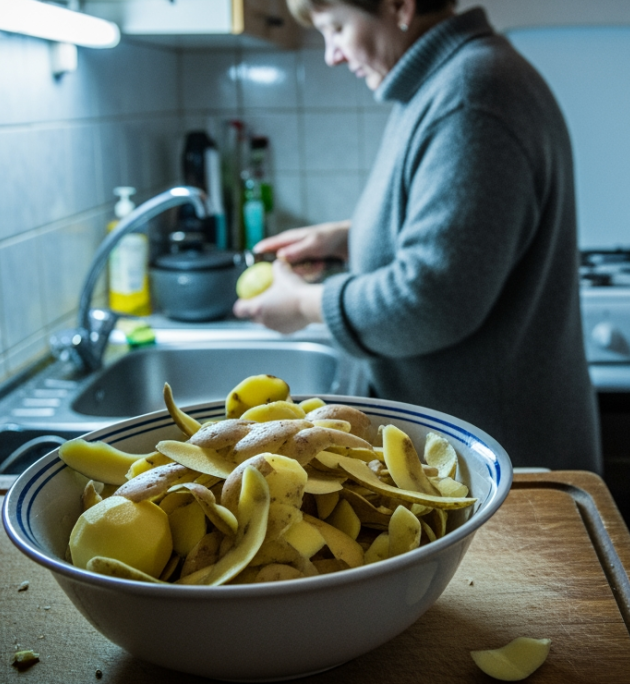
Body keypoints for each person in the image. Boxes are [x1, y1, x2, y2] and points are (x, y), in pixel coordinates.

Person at [234, 0, 601, 473]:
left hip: (500, 461)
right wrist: (348, 238)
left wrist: (306, 304)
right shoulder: (447, 84)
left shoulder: (472, 96)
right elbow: (472, 233)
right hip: (481, 444)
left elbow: (433, 298)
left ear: (399, 6)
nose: (333, 54)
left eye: (337, 28)